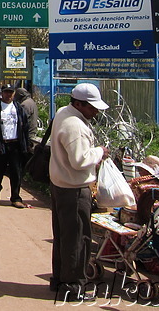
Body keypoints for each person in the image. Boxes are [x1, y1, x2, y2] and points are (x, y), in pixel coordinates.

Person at [49, 83, 109, 302]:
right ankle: (73, 286)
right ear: (78, 104)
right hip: (73, 189)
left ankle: (60, 279)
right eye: (92, 108)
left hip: (60, 185)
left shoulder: (63, 114)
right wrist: (99, 152)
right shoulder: (75, 126)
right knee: (78, 239)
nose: (95, 112)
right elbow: (79, 160)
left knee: (64, 237)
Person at [0, 84, 30, 208]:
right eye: (6, 92)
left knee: (16, 172)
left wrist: (25, 144)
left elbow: (25, 126)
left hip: (15, 144)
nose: (8, 95)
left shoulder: (19, 109)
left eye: (11, 92)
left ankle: (15, 197)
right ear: (2, 93)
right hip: (0, 145)